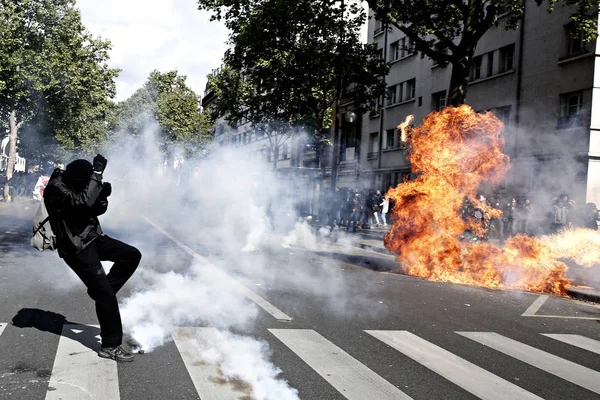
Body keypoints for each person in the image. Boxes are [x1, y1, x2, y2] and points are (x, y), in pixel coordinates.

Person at [44, 155, 141, 362]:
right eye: (87, 178)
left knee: (131, 255)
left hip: (92, 238)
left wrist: (102, 195)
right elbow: (80, 204)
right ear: (78, 176)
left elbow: (95, 208)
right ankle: (110, 346)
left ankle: (102, 291)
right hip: (75, 247)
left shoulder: (78, 184)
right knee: (106, 296)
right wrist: (96, 176)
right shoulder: (56, 187)